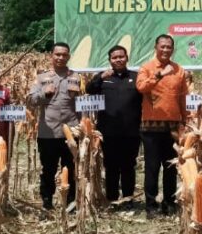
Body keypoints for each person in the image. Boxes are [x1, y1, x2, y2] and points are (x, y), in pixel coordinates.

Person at [135, 34, 189, 216]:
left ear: (173, 49)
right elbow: (141, 87)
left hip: (173, 127)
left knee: (171, 166)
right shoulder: (147, 67)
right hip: (151, 128)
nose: (166, 50)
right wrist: (159, 74)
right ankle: (150, 205)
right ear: (155, 47)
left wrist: (185, 119)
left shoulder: (179, 70)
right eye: (162, 46)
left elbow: (182, 97)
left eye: (169, 47)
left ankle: (169, 202)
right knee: (151, 167)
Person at [86, 45, 142, 207]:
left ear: (127, 58)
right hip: (108, 131)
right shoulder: (103, 78)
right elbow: (89, 90)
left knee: (129, 165)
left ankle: (128, 198)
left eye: (121, 57)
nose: (118, 60)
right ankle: (111, 198)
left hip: (131, 130)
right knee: (110, 165)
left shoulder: (135, 77)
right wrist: (101, 77)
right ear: (110, 60)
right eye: (114, 58)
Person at [28, 42, 82, 211]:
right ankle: (47, 201)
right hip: (48, 132)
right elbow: (30, 101)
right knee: (48, 169)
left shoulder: (77, 78)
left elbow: (83, 104)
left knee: (71, 168)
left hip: (71, 132)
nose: (60, 57)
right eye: (57, 54)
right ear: (51, 56)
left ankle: (71, 203)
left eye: (64, 55)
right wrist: (45, 93)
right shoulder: (42, 78)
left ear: (69, 56)